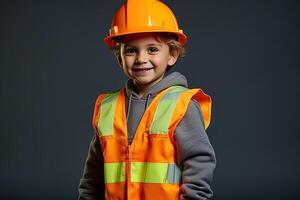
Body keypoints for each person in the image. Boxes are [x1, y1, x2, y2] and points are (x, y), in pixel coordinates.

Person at [78, 0, 216, 199]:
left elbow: (198, 163)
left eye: (152, 49)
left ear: (172, 54)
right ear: (119, 58)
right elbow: (94, 172)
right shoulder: (108, 108)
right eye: (131, 50)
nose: (141, 58)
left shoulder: (181, 106)